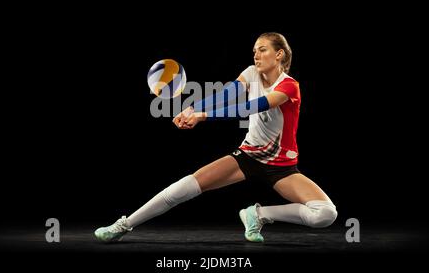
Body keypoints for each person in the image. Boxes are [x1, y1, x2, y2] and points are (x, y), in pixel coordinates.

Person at [94, 32, 337, 243]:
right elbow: (228, 93)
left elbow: (252, 107)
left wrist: (203, 116)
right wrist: (193, 108)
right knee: (184, 188)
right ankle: (123, 225)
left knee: (325, 213)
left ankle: (259, 214)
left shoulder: (289, 86)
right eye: (254, 51)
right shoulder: (252, 73)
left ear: (279, 54)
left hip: (282, 168)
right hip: (248, 156)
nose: (256, 55)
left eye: (262, 50)